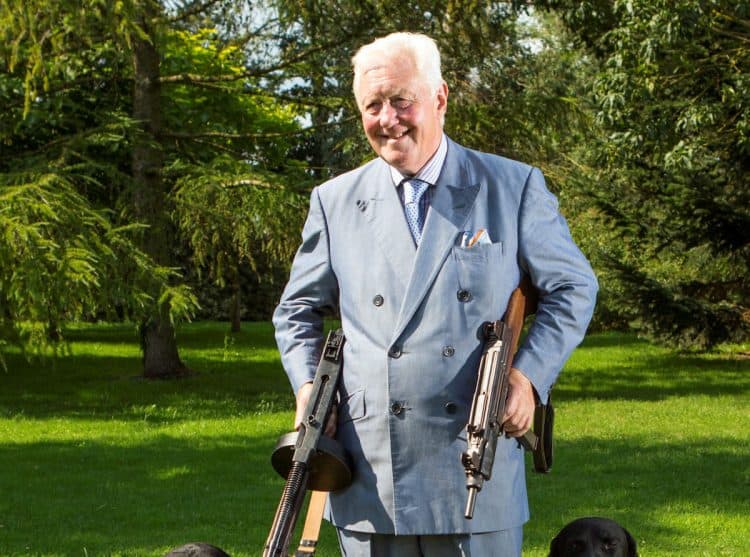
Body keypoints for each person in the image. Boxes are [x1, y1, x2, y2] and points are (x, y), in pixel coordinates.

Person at [272, 32, 598, 557]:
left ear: (439, 97)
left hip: (474, 469)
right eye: (372, 105)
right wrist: (308, 385)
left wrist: (527, 377)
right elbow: (296, 310)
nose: (388, 119)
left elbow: (574, 287)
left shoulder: (511, 187)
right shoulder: (334, 202)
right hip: (371, 479)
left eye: (401, 100)